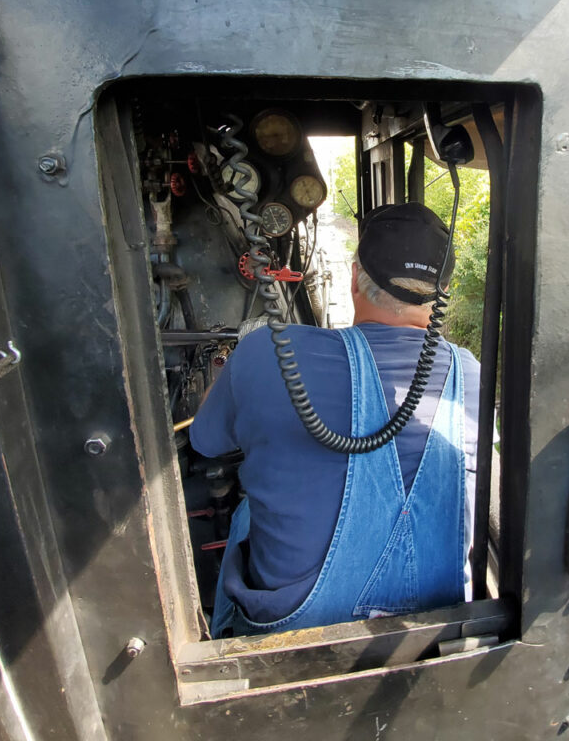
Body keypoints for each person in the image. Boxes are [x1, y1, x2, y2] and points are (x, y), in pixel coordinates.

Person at [190, 202, 480, 638]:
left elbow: (205, 441)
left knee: (247, 512)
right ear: (440, 293)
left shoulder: (268, 353)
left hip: (293, 638)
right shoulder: (471, 375)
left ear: (353, 275)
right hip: (438, 627)